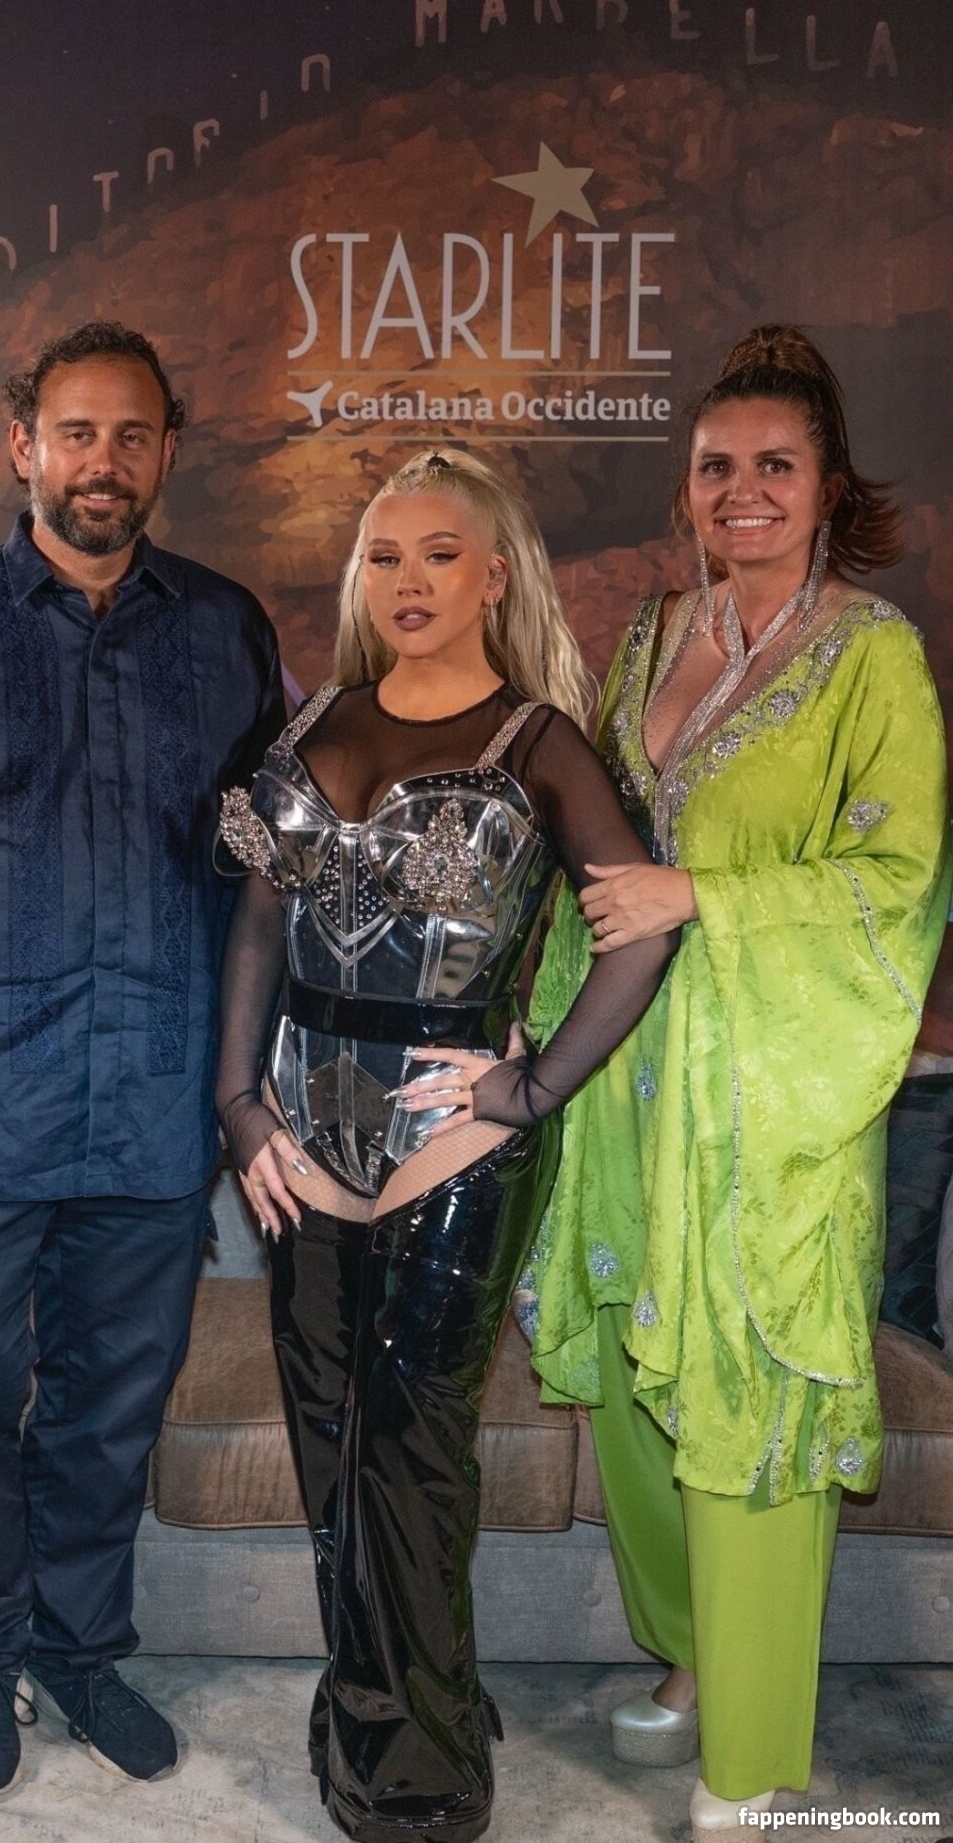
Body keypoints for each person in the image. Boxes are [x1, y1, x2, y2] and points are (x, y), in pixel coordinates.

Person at [519, 326, 951, 1839]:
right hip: (631, 1071)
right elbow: (591, 841)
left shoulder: (873, 654)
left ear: (829, 485)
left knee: (747, 1383)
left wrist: (704, 895)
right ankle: (699, 1658)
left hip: (769, 1088)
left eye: (774, 465)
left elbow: (900, 876)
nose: (741, 491)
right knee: (641, 1378)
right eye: (715, 467)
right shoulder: (650, 635)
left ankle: (757, 1756)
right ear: (684, 486)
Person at [215, 449, 677, 1843]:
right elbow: (258, 923)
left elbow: (640, 928)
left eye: (437, 555)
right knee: (330, 1444)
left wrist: (529, 1089)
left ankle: (416, 1782)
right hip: (298, 1138)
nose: (406, 581)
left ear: (494, 575)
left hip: (448, 1141)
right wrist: (238, 1107)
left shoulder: (538, 742)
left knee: (411, 1455)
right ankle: (397, 1701)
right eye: (383, 556)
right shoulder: (315, 724)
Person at [0, 320, 284, 1799]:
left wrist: (245, 1085)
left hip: (153, 1099)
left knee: (113, 1404)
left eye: (132, 435)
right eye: (76, 432)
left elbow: (265, 877)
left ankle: (82, 1650)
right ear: (22, 445)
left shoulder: (226, 631)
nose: (104, 462)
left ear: (166, 453)